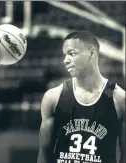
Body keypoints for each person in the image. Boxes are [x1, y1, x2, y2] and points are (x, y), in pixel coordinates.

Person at [37, 31, 125, 163]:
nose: (66, 60)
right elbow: (43, 154)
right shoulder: (53, 97)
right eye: (65, 55)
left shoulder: (119, 98)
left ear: (91, 53)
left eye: (72, 53)